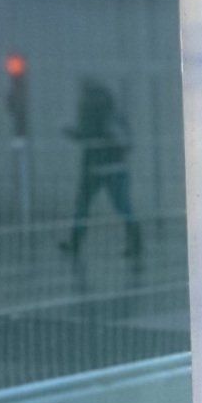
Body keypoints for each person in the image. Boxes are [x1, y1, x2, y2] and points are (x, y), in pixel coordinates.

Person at [62, 76, 142, 272]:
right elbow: (122, 141)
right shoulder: (111, 114)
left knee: (86, 207)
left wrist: (74, 133)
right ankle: (135, 243)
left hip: (98, 168)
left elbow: (91, 135)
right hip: (111, 168)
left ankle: (76, 243)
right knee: (121, 207)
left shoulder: (97, 113)